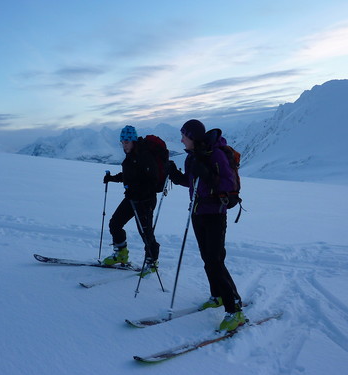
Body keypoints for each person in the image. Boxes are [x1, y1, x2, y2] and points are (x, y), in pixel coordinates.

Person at [168, 119, 247, 332]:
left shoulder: (216, 154)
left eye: (184, 135)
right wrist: (174, 175)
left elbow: (227, 183)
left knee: (215, 261)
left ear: (193, 137)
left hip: (215, 214)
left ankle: (235, 309)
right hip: (197, 213)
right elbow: (191, 181)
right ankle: (217, 296)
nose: (181, 139)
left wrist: (206, 172)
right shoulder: (192, 157)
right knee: (207, 259)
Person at [102, 125, 160, 277]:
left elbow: (153, 180)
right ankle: (121, 253)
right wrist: (112, 178)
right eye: (122, 142)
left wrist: (138, 190)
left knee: (146, 233)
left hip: (145, 200)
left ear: (134, 140)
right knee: (115, 223)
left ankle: (152, 262)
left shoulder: (144, 155)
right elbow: (129, 175)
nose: (124, 144)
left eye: (127, 141)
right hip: (132, 198)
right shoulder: (131, 155)